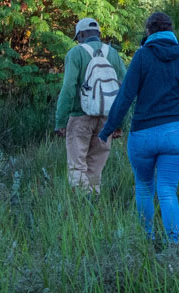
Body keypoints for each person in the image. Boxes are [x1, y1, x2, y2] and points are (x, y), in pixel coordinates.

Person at [98, 11, 179, 247]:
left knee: (144, 188)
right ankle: (172, 247)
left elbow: (125, 96)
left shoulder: (141, 57)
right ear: (171, 31)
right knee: (167, 190)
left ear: (148, 32)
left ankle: (147, 242)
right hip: (174, 135)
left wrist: (108, 129)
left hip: (143, 136)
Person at [54, 18, 127, 194]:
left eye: (78, 36)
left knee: (77, 167)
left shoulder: (76, 53)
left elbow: (69, 88)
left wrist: (60, 121)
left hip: (80, 117)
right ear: (99, 35)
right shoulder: (113, 54)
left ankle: (82, 208)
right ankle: (93, 206)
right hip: (106, 119)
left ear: (81, 34)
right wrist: (119, 123)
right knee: (95, 168)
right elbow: (125, 89)